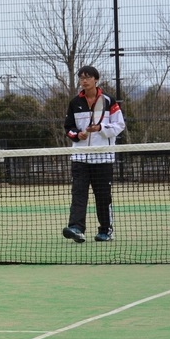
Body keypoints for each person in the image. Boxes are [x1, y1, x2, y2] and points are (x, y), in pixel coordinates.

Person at [61, 66, 126, 243]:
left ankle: (105, 230)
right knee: (78, 194)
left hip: (103, 158)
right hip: (80, 157)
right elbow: (68, 128)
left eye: (88, 77)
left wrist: (101, 128)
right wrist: (77, 135)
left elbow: (119, 126)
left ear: (96, 79)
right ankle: (76, 228)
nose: (84, 80)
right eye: (81, 77)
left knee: (103, 196)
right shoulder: (75, 103)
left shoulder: (109, 101)